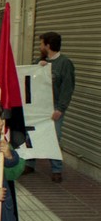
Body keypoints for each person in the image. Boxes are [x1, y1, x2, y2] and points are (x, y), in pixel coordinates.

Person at [23, 32, 75, 183]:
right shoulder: (39, 61)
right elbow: (29, 80)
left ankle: (56, 169)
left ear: (48, 45)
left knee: (54, 137)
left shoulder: (65, 63)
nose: (40, 47)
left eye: (41, 44)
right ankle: (29, 163)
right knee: (31, 135)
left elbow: (67, 87)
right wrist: (38, 69)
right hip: (38, 107)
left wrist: (60, 108)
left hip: (54, 107)